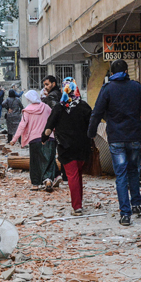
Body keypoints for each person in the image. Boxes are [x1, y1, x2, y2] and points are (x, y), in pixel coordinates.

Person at [87, 60, 141, 226]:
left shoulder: (107, 89)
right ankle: (136, 204)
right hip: (134, 137)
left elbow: (96, 113)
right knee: (134, 171)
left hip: (116, 139)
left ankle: (125, 214)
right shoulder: (137, 87)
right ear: (127, 71)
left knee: (121, 175)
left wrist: (91, 133)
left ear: (111, 73)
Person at [42, 78, 92, 215]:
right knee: (78, 174)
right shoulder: (83, 106)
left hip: (66, 147)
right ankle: (79, 202)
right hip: (83, 146)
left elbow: (49, 126)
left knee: (72, 176)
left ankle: (77, 207)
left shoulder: (59, 107)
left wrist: (44, 138)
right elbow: (92, 122)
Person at [10, 90, 59, 190]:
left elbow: (22, 126)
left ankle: (35, 184)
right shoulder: (46, 107)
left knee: (35, 162)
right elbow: (54, 119)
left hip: (34, 140)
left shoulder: (27, 110)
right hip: (49, 138)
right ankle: (48, 180)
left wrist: (14, 139)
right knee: (49, 160)